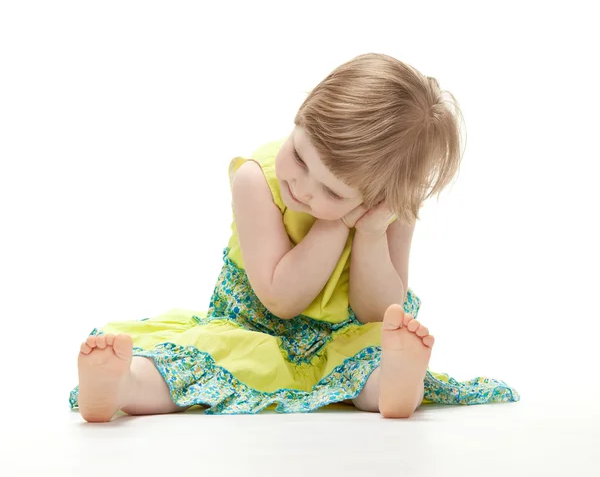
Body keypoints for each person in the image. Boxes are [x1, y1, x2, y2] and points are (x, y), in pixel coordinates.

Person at [70, 53, 519, 422]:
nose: (302, 187)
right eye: (301, 156)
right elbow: (281, 300)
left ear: (379, 196)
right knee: (196, 362)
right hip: (253, 330)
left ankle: (397, 386)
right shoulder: (256, 181)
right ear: (300, 118)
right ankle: (123, 385)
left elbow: (378, 312)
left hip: (338, 342)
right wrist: (334, 220)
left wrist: (369, 231)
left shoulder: (386, 210)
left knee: (370, 357)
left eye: (332, 191)